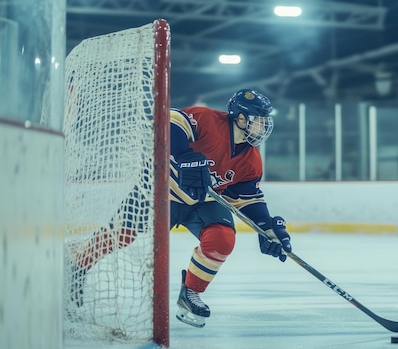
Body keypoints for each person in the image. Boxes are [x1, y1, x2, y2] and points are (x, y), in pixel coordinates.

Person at [68, 89, 293, 329]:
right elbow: (170, 121)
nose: (264, 126)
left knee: (223, 238)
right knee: (122, 234)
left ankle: (191, 293)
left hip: (202, 201)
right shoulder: (207, 119)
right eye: (259, 120)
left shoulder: (251, 160)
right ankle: (78, 266)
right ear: (240, 118)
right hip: (158, 189)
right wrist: (186, 155)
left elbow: (249, 200)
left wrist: (267, 227)